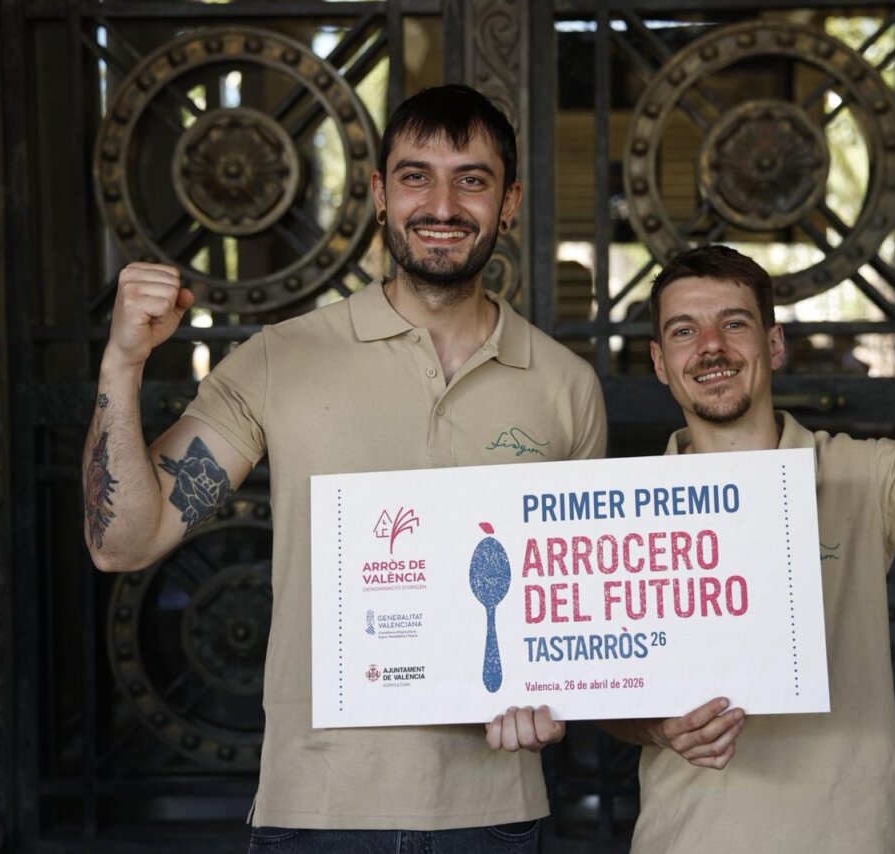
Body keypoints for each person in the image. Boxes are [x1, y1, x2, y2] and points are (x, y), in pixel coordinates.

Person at [82, 85, 607, 852]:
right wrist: (123, 361)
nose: (442, 203)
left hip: (493, 810)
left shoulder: (566, 386)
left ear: (511, 200)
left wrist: (559, 691)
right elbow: (122, 542)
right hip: (316, 809)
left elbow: (580, 609)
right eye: (415, 175)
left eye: (472, 178)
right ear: (379, 193)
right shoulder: (278, 358)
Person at [600, 245, 895, 853]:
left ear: (774, 346)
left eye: (733, 323)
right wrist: (660, 728)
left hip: (861, 837)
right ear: (660, 362)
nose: (710, 346)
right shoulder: (623, 509)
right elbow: (606, 699)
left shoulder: (864, 473)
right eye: (683, 330)